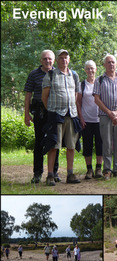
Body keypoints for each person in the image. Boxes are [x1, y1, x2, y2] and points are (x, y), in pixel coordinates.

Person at [42, 49, 81, 186]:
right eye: (61, 58)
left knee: (71, 146)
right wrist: (52, 111)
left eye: (66, 57)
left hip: (71, 115)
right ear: (57, 60)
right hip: (56, 115)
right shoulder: (50, 75)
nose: (64, 60)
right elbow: (44, 97)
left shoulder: (74, 75)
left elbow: (76, 96)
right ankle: (50, 175)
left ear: (69, 60)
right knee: (53, 146)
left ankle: (70, 174)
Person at [24, 50, 60, 184]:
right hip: (39, 112)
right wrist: (26, 114)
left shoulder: (59, 74)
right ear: (41, 61)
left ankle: (54, 172)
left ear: (54, 60)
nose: (47, 61)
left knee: (54, 143)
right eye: (45, 59)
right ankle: (37, 173)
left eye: (50, 59)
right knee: (39, 143)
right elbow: (28, 95)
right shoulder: (33, 74)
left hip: (55, 112)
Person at [93, 54, 117, 180]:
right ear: (104, 65)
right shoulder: (99, 80)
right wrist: (110, 113)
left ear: (116, 64)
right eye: (108, 62)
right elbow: (97, 99)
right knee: (107, 143)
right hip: (104, 116)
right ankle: (107, 170)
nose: (111, 64)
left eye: (113, 62)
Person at [76, 60, 103, 179]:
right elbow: (78, 102)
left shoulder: (101, 83)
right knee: (87, 146)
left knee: (100, 145)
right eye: (88, 68)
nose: (90, 70)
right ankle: (89, 170)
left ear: (96, 69)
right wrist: (80, 118)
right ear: (85, 70)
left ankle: (98, 168)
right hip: (86, 120)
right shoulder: (82, 85)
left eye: (92, 68)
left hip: (100, 119)